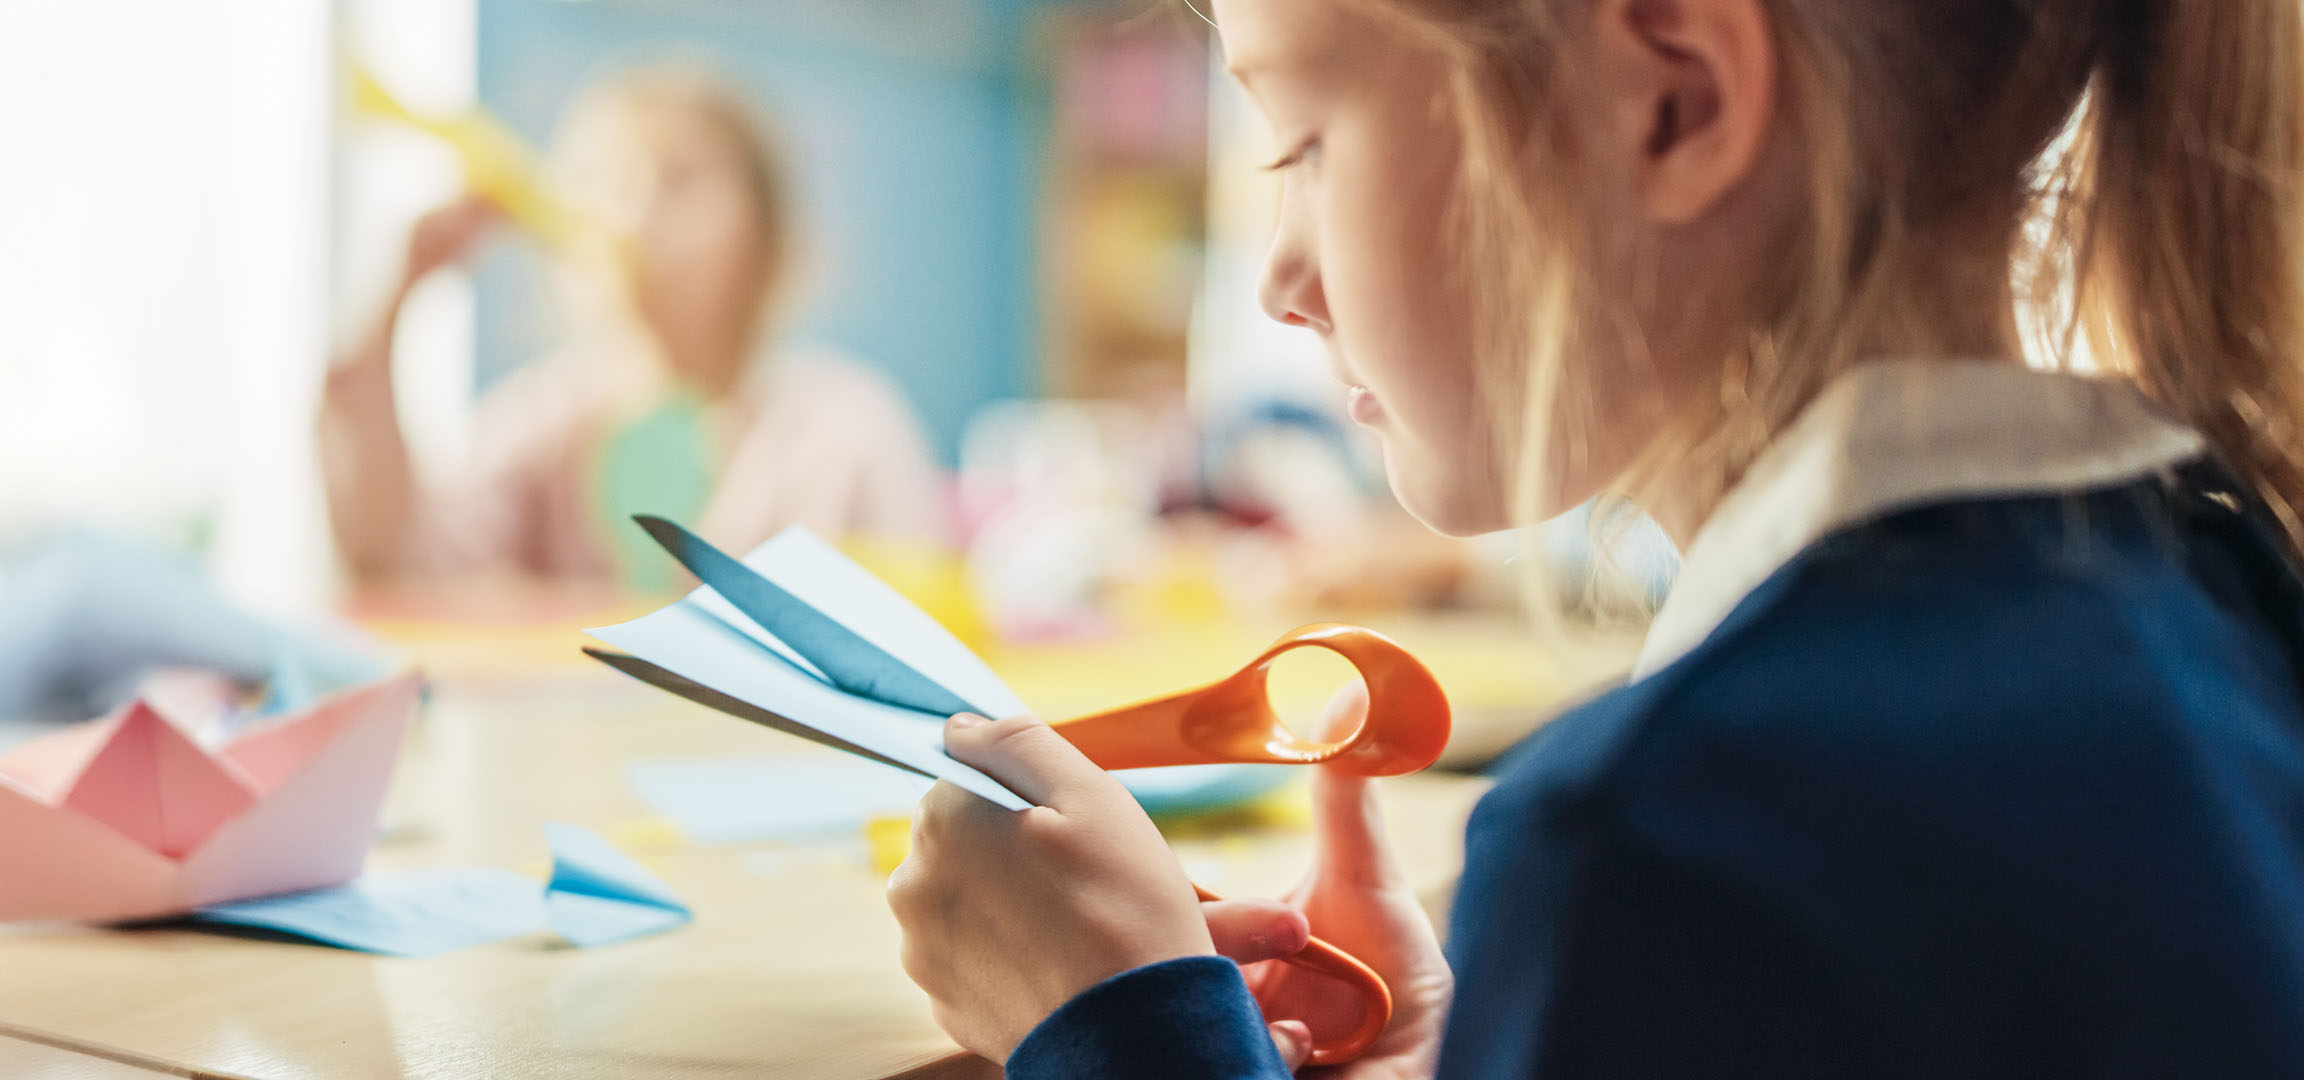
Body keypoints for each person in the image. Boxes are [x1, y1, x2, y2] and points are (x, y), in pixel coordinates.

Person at [886, 0, 2304, 1076]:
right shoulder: (2229, 589)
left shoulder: (1670, 832)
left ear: (1674, 102)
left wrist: (1120, 1030)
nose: (1278, 278)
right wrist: (1507, 1024)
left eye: (1304, 143)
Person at [320, 66, 946, 594]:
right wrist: (398, 296)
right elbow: (392, 565)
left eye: (680, 181)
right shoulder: (541, 420)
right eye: (605, 182)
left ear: (764, 232)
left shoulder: (844, 429)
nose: (636, 214)